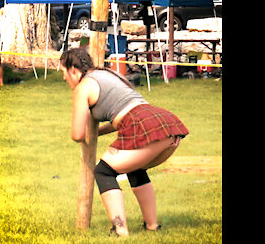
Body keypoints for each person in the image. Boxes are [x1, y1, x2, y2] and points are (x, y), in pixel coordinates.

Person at [59, 48, 189, 237]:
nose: (64, 79)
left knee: (103, 172)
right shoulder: (107, 73)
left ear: (72, 69)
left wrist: (82, 125)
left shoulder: (82, 87)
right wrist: (97, 132)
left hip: (140, 123)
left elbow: (78, 134)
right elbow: (122, 114)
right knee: (134, 167)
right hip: (165, 124)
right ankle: (152, 226)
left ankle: (120, 230)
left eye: (63, 72)